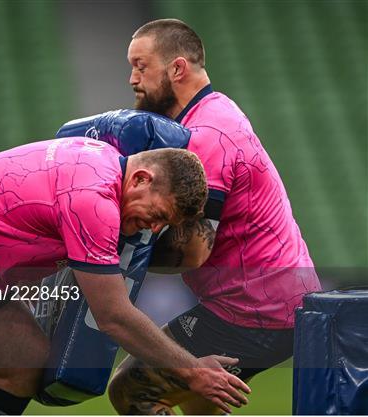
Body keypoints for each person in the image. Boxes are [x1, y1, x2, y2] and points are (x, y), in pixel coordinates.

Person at [0, 136, 250, 415]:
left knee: (25, 365)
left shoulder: (104, 161)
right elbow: (113, 316)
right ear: (141, 180)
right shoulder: (95, 200)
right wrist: (192, 370)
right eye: (159, 214)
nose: (154, 228)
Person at [107, 18, 322, 415]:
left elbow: (192, 252)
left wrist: (108, 250)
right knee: (200, 401)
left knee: (132, 390)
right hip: (276, 301)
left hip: (255, 312)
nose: (132, 79)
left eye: (141, 66)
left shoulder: (207, 135)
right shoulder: (214, 110)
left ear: (177, 69)